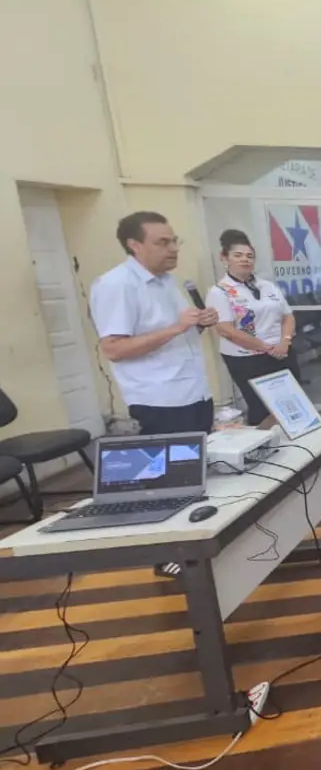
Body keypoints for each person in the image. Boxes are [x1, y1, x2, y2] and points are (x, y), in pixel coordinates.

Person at [91, 211, 218, 579]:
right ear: (135, 245)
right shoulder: (116, 285)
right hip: (160, 400)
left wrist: (197, 326)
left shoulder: (167, 281)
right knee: (169, 483)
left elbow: (175, 337)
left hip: (193, 392)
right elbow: (114, 348)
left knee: (197, 477)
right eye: (163, 242)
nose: (173, 248)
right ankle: (169, 555)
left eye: (174, 240)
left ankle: (198, 545)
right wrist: (177, 327)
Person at [204, 229, 299, 428]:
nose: (245, 260)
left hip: (281, 351)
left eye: (249, 256)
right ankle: (264, 440)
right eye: (238, 255)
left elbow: (287, 316)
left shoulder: (267, 286)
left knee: (291, 401)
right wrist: (265, 347)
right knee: (262, 407)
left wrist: (285, 341)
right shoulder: (219, 292)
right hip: (247, 358)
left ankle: (292, 438)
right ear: (225, 258)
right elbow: (226, 330)